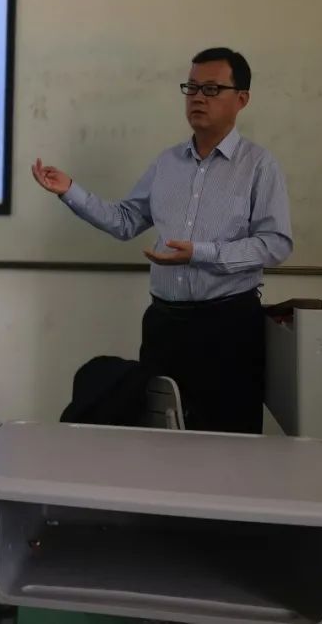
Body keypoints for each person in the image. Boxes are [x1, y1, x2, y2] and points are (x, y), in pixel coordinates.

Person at [32, 47, 293, 434]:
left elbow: (275, 243)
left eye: (211, 88)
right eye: (191, 87)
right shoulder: (168, 163)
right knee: (159, 439)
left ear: (241, 99)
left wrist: (200, 254)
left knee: (230, 443)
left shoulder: (259, 165)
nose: (198, 97)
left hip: (228, 327)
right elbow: (126, 221)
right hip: (165, 326)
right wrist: (70, 191)